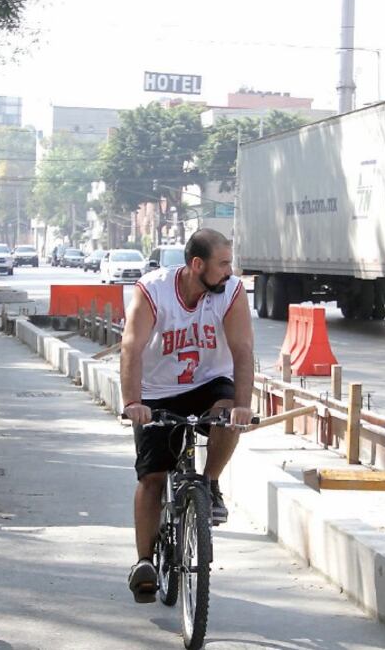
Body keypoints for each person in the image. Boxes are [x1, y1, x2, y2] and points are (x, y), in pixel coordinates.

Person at [120, 228, 254, 603]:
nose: (230, 271)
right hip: (157, 391)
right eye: (223, 263)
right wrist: (133, 402)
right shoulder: (153, 290)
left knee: (227, 415)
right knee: (153, 477)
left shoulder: (231, 292)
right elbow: (131, 345)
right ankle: (144, 562)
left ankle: (209, 484)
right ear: (198, 265)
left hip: (209, 382)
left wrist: (243, 404)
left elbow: (243, 351)